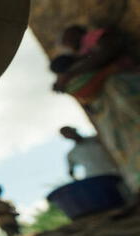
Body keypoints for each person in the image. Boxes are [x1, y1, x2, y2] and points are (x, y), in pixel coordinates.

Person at [52, 25, 140, 198]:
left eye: (66, 39)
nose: (66, 43)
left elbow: (108, 51)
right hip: (110, 108)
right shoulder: (78, 61)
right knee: (124, 144)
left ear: (76, 33)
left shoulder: (93, 40)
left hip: (122, 91)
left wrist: (71, 74)